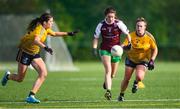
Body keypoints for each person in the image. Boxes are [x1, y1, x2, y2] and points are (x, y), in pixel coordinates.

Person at [1, 13, 79, 103]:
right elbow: (35, 40)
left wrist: (69, 33)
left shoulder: (46, 29)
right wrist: (45, 47)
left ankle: (31, 96)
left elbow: (54, 33)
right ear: (44, 22)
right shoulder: (39, 29)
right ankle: (8, 76)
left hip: (34, 54)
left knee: (43, 73)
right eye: (51, 21)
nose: (52, 23)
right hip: (24, 53)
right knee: (20, 78)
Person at [92, 7, 131, 100]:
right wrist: (94, 48)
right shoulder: (101, 25)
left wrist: (129, 44)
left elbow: (128, 34)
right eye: (109, 17)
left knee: (113, 74)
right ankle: (108, 92)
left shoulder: (119, 24)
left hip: (116, 51)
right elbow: (96, 38)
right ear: (106, 16)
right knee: (108, 71)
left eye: (113, 17)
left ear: (115, 16)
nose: (111, 18)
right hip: (104, 49)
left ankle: (106, 82)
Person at [117, 17, 158, 101]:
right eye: (137, 26)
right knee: (126, 79)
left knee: (139, 77)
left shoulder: (149, 38)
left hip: (143, 60)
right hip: (131, 59)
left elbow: (155, 49)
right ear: (135, 27)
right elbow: (122, 46)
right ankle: (121, 95)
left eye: (141, 26)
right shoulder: (130, 36)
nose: (139, 28)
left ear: (145, 27)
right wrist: (125, 47)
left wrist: (152, 60)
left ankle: (136, 83)